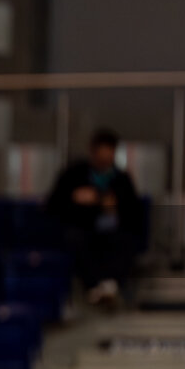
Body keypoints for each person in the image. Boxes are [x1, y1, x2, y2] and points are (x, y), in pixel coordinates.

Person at [46, 128, 143, 306]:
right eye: (100, 159)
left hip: (114, 232)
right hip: (81, 229)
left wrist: (108, 203)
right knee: (76, 240)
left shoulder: (122, 180)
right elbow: (53, 206)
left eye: (108, 159)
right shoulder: (74, 175)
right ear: (92, 152)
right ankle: (95, 287)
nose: (104, 163)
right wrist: (76, 200)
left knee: (125, 240)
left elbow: (134, 214)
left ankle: (109, 286)